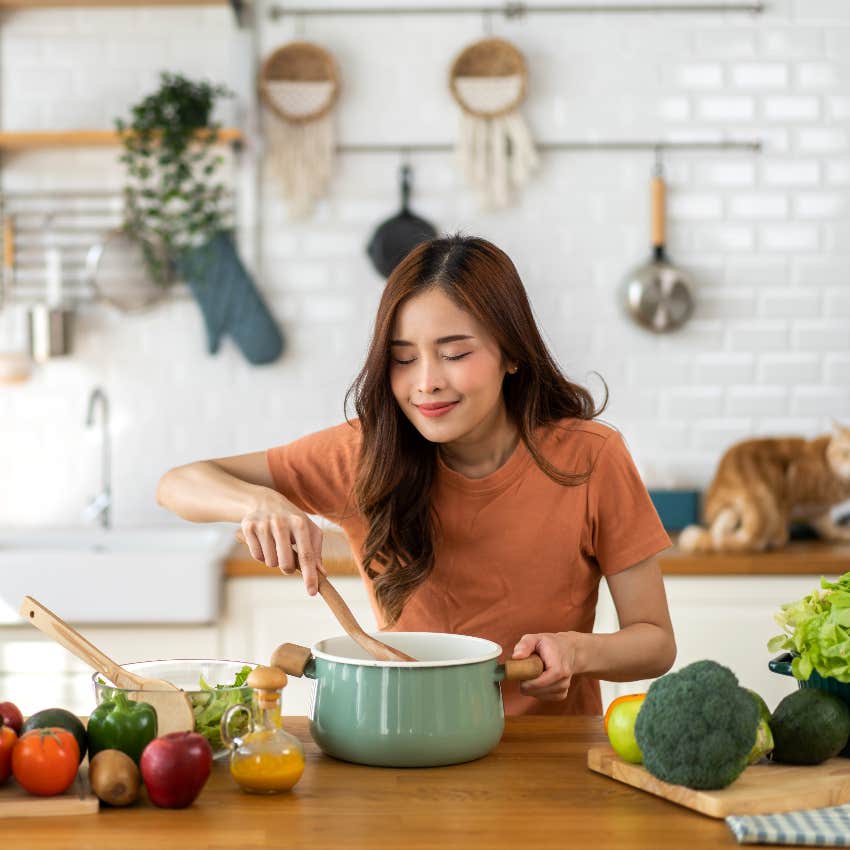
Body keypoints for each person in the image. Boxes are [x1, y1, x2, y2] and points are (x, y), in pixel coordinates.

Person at [157, 234, 676, 716]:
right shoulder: (365, 453)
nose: (426, 383)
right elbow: (178, 483)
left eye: (454, 354)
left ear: (512, 352)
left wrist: (576, 651)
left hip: (551, 756)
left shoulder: (591, 458)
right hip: (403, 740)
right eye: (404, 359)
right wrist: (258, 504)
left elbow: (655, 643)